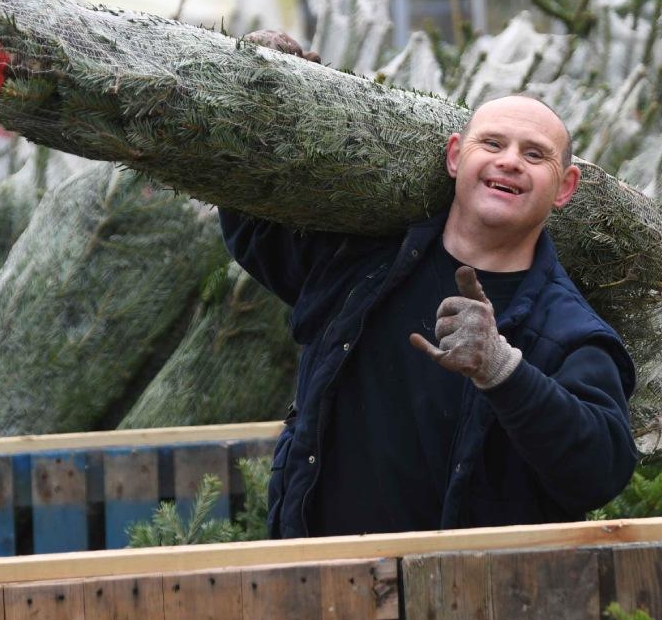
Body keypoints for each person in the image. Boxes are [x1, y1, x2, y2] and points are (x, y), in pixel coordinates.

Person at [220, 36, 638, 538]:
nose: (509, 161)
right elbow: (254, 224)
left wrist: (503, 371)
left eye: (534, 154)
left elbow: (601, 470)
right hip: (319, 581)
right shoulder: (363, 265)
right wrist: (261, 87)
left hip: (462, 602)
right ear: (456, 157)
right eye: (493, 143)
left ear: (564, 188)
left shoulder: (568, 331)